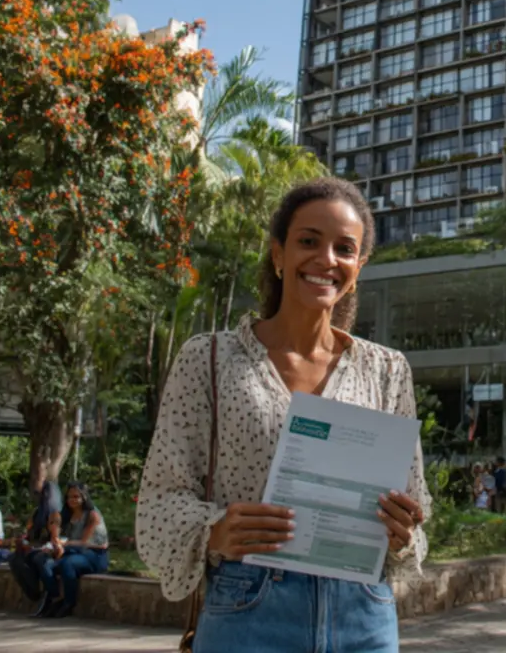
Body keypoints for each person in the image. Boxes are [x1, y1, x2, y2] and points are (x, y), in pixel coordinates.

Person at [137, 178, 431, 653]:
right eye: (309, 241)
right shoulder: (209, 359)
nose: (326, 260)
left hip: (363, 615)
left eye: (344, 249)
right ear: (278, 254)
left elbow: (414, 512)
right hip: (248, 612)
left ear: (359, 266)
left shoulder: (388, 370)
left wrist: (402, 532)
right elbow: (158, 503)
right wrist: (215, 530)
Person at [37, 483, 110, 618]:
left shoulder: (92, 515)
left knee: (68, 563)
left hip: (94, 555)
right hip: (72, 551)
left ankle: (69, 603)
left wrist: (64, 544)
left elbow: (84, 543)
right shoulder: (67, 515)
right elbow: (55, 528)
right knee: (45, 562)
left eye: (76, 496)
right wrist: (55, 541)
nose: (72, 500)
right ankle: (54, 597)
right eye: (70, 497)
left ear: (84, 497)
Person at [3, 480, 63, 615]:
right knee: (14, 559)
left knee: (40, 560)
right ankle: (34, 592)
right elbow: (28, 534)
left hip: (51, 551)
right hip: (35, 548)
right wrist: (23, 542)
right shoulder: (36, 513)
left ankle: (53, 596)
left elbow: (56, 538)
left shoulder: (56, 514)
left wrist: (42, 547)